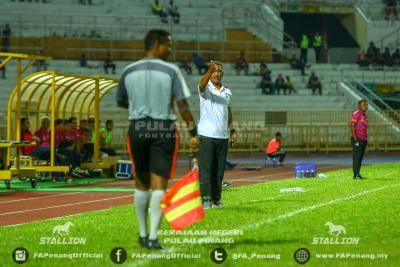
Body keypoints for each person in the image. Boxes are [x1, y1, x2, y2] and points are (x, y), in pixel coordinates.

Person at [116, 29, 198, 249]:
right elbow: (183, 106)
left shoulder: (128, 70)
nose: (170, 49)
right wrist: (194, 133)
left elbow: (121, 101)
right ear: (158, 44)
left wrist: (137, 107)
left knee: (141, 181)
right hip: (162, 128)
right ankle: (153, 237)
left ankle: (142, 234)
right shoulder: (171, 70)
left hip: (138, 127)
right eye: (168, 44)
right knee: (159, 182)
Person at [197, 61, 238, 209]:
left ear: (222, 73)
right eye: (213, 71)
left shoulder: (227, 91)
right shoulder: (204, 88)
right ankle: (205, 201)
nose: (216, 73)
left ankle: (216, 200)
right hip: (207, 135)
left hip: (222, 136)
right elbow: (201, 84)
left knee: (219, 171)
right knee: (206, 170)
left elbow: (229, 111)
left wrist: (232, 130)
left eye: (218, 71)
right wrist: (208, 71)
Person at [350, 100, 368, 179]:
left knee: (360, 157)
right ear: (359, 106)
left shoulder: (365, 116)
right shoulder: (356, 114)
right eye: (364, 105)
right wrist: (355, 139)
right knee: (357, 157)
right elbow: (352, 126)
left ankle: (358, 173)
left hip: (363, 139)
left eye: (366, 105)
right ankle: (355, 174)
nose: (366, 106)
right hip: (357, 139)